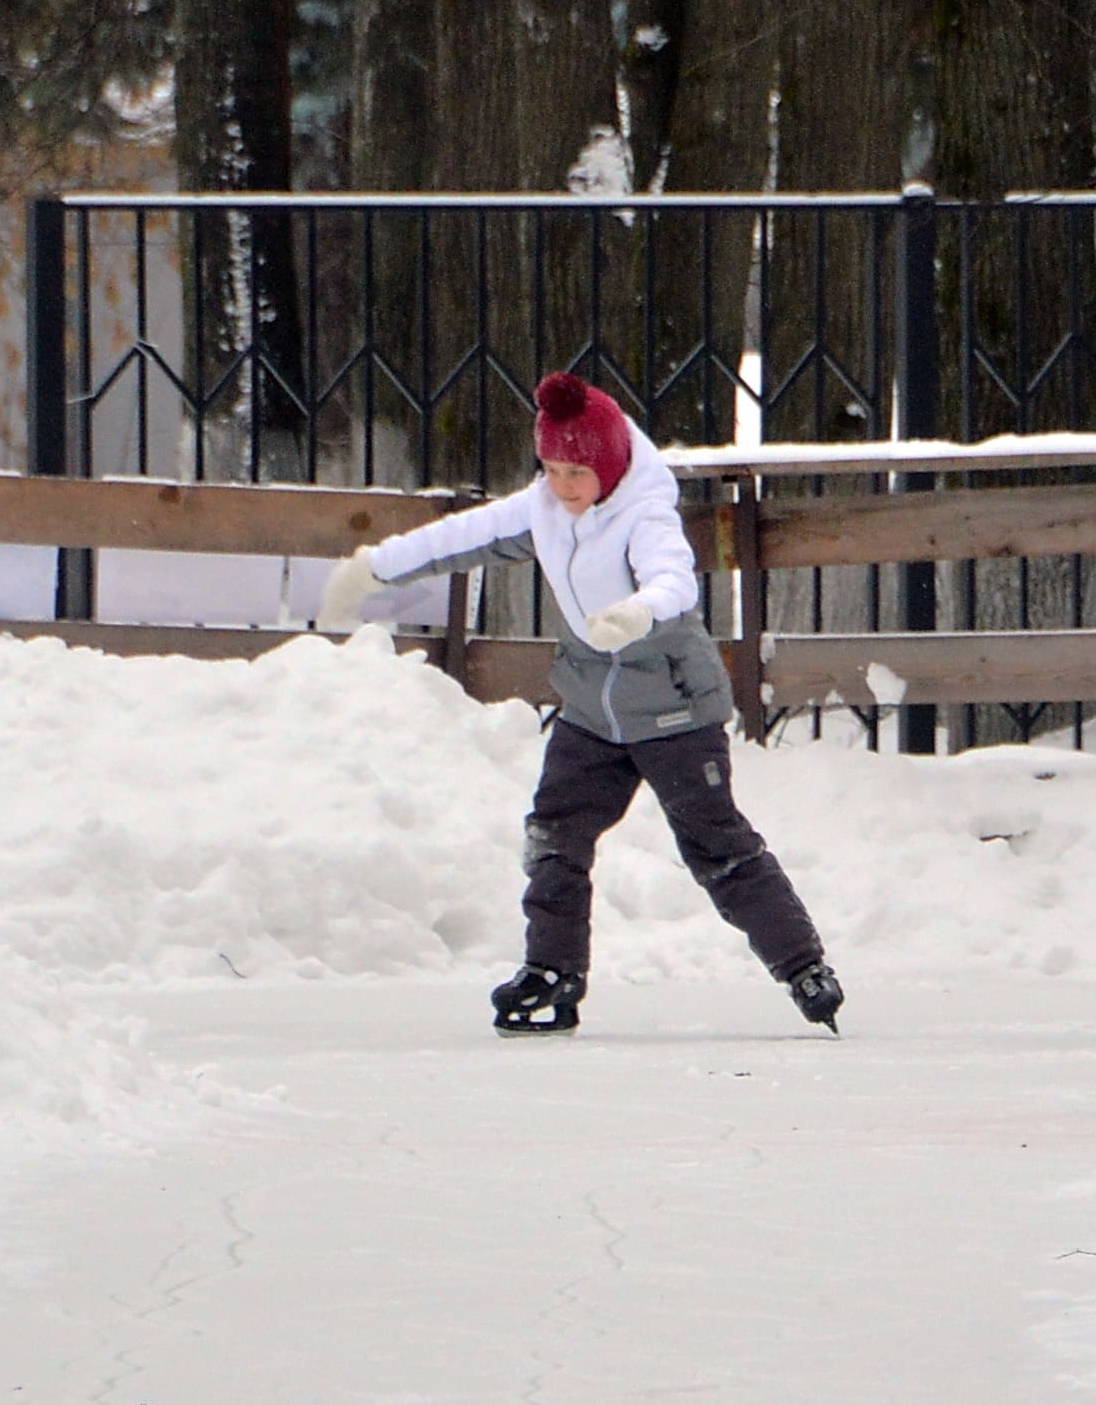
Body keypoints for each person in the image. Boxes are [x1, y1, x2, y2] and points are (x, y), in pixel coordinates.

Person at [323, 372, 843, 1038]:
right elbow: (462, 537)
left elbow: (673, 582)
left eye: (576, 472)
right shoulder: (545, 508)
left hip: (673, 711)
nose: (563, 485)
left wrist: (635, 613)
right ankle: (552, 970)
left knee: (716, 846)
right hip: (592, 716)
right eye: (551, 469)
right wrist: (373, 569)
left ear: (609, 464)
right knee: (554, 834)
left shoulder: (644, 512)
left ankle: (803, 966)